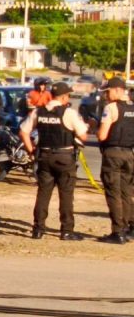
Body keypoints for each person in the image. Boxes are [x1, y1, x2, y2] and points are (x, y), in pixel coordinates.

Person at [19, 82, 88, 241]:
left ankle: (38, 229)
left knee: (43, 193)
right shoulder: (69, 113)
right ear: (64, 97)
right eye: (68, 96)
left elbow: (23, 132)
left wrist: (31, 150)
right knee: (66, 195)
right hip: (64, 157)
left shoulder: (39, 111)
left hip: (44, 156)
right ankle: (66, 230)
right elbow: (83, 136)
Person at [96, 77, 134, 244]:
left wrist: (96, 130)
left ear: (118, 90)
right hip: (129, 154)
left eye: (108, 91)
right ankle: (127, 228)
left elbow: (103, 135)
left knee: (113, 192)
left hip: (113, 154)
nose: (106, 95)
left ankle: (117, 231)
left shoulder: (111, 108)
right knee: (126, 193)